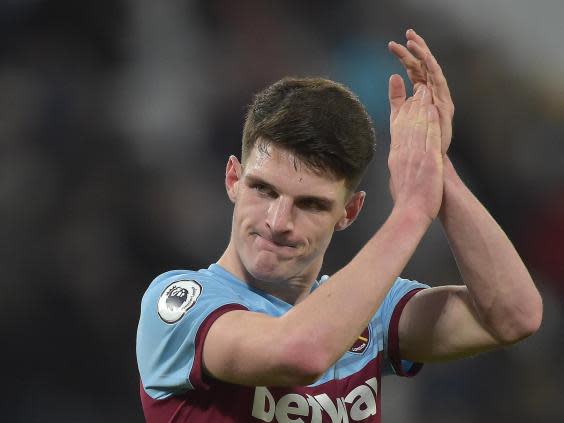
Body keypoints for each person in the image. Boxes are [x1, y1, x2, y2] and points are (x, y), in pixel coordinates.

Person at [136, 29, 542, 422]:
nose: (278, 222)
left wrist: (435, 168)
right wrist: (411, 213)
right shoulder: (180, 304)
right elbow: (300, 354)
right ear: (233, 180)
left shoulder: (369, 312)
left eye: (310, 204)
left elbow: (514, 315)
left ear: (349, 212)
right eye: (263, 189)